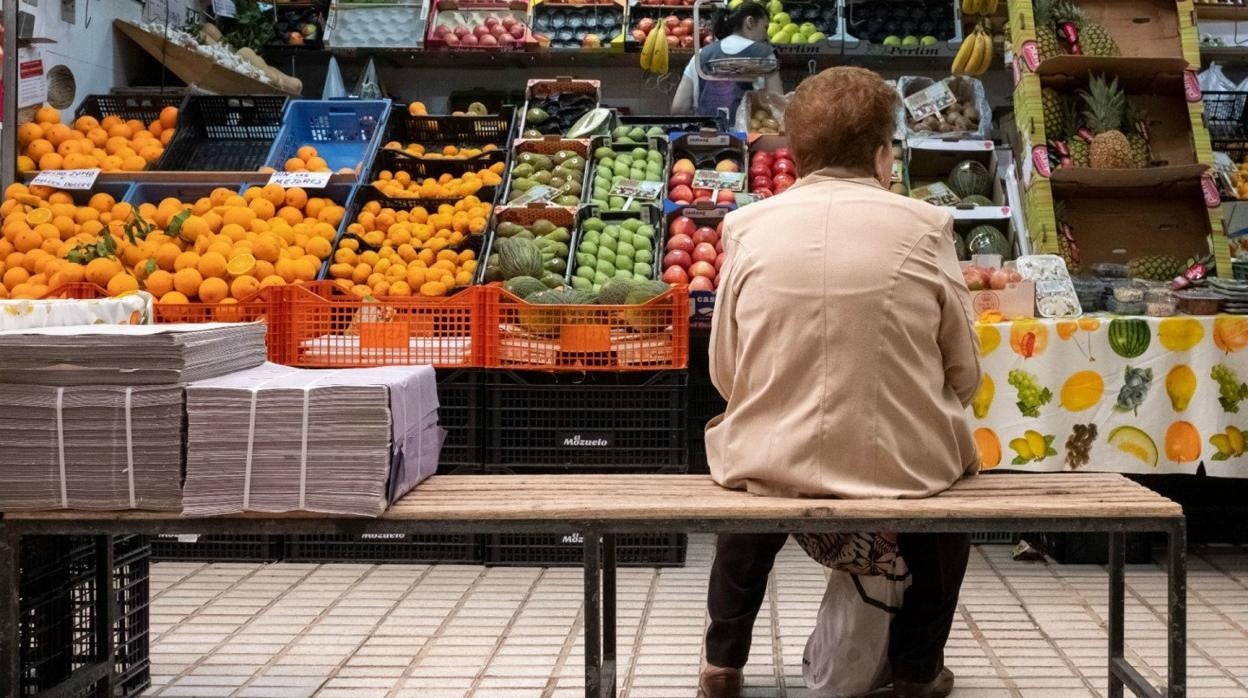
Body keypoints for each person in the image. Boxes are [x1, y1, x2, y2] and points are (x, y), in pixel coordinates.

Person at [697, 66, 982, 698]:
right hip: (904, 464)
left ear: (794, 154)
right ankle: (914, 672)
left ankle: (722, 662)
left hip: (774, 456)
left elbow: (726, 371)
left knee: (751, 485)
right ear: (885, 152)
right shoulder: (927, 227)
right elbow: (964, 370)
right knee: (949, 508)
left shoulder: (745, 227)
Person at [670, 1, 782, 118]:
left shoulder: (700, 55)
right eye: (765, 27)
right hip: (750, 135)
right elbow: (777, 106)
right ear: (750, 22)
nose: (766, 36)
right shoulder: (765, 54)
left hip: (707, 133)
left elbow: (678, 108)